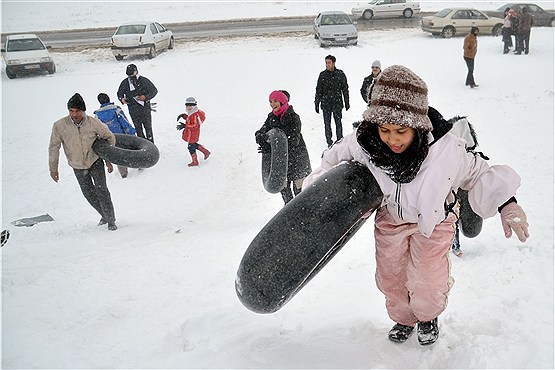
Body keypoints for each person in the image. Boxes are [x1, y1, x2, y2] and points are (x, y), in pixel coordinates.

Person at [303, 65, 529, 345]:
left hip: (433, 222)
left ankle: (427, 316)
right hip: (391, 220)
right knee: (391, 278)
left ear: (418, 124)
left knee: (427, 279)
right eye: (384, 129)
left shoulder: (446, 150)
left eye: (401, 130)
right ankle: (404, 318)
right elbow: (330, 165)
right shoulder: (364, 145)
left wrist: (508, 204)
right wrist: (311, 201)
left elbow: (479, 172)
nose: (392, 139)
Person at [49, 93, 119, 231]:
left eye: (77, 111)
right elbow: (53, 147)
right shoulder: (59, 126)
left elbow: (109, 138)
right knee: (88, 193)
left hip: (94, 161)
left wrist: (107, 159)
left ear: (83, 111)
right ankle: (104, 214)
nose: (74, 114)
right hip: (77, 165)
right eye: (71, 111)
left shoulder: (94, 123)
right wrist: (53, 168)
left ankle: (111, 220)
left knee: (102, 190)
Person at [255, 90, 312, 204]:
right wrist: (264, 142)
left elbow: (293, 140)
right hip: (280, 165)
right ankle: (291, 219)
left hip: (297, 161)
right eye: (270, 101)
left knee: (300, 194)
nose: (272, 104)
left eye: (275, 101)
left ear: (282, 101)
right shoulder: (271, 117)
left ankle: (304, 216)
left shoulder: (294, 117)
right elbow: (260, 133)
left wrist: (273, 144)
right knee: (286, 196)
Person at [94, 93, 137, 178]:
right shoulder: (116, 109)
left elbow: (98, 130)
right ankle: (139, 164)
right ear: (109, 99)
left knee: (118, 155)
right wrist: (132, 133)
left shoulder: (97, 115)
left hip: (110, 139)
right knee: (132, 150)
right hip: (122, 136)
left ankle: (123, 174)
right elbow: (124, 122)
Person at [315, 55, 350, 147]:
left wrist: (347, 102)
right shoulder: (322, 75)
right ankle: (329, 142)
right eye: (326, 63)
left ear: (334, 63)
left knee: (338, 122)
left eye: (329, 63)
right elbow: (319, 90)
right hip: (326, 103)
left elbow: (345, 89)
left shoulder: (340, 74)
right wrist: (316, 103)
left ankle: (340, 140)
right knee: (327, 124)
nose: (327, 64)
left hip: (337, 103)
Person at [117, 63, 158, 143]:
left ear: (136, 72)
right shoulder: (125, 83)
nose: (131, 77)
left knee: (148, 128)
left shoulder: (144, 81)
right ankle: (142, 146)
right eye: (129, 75)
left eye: (132, 75)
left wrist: (145, 97)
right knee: (138, 129)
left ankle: (151, 146)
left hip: (145, 108)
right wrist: (121, 99)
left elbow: (154, 91)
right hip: (133, 109)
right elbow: (119, 93)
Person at [176, 97, 211, 167]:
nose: (188, 107)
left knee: (191, 146)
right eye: (187, 106)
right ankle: (205, 152)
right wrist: (184, 116)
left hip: (193, 133)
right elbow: (190, 119)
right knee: (193, 144)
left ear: (194, 106)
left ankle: (195, 161)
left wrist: (185, 126)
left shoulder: (194, 114)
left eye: (190, 106)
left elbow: (194, 124)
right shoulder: (192, 112)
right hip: (192, 133)